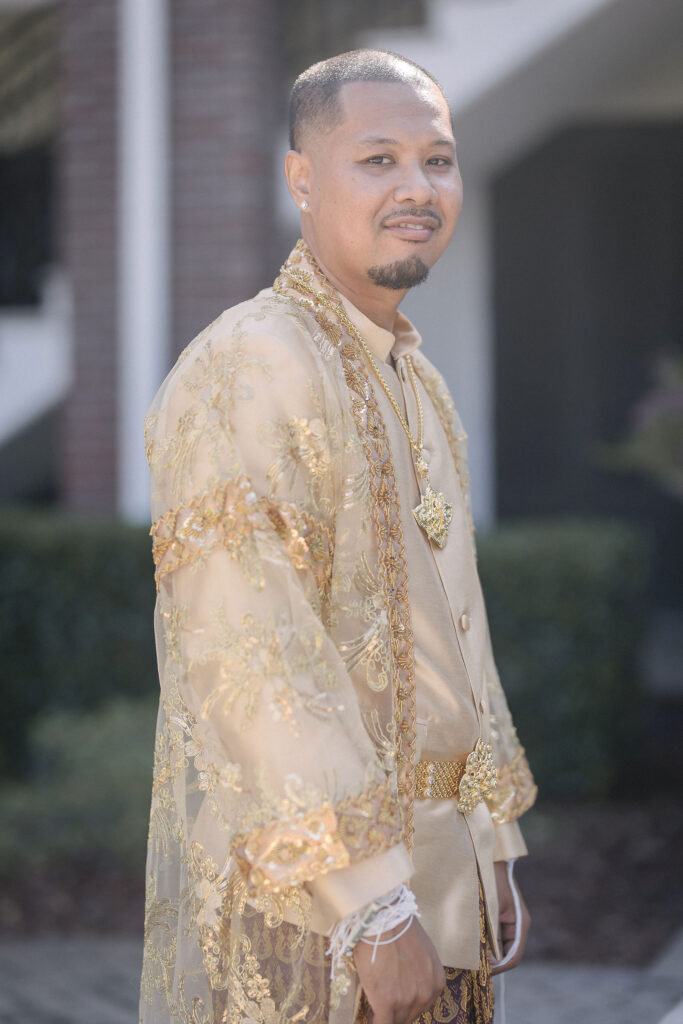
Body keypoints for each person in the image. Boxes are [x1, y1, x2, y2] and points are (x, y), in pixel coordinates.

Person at [139, 48, 537, 1024]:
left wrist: (488, 846)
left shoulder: (413, 377)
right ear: (301, 178)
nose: (417, 188)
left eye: (436, 160)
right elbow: (250, 652)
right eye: (379, 160)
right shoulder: (250, 365)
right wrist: (372, 906)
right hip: (318, 930)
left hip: (438, 902)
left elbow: (454, 640)